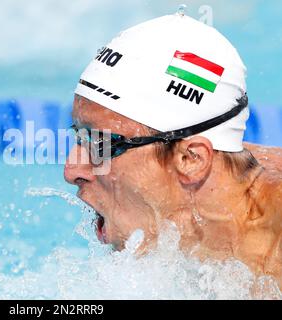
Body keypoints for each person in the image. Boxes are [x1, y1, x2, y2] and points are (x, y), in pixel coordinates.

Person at [64, 13, 282, 290]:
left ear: (191, 159)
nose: (72, 171)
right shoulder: (216, 182)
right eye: (79, 135)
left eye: (102, 144)